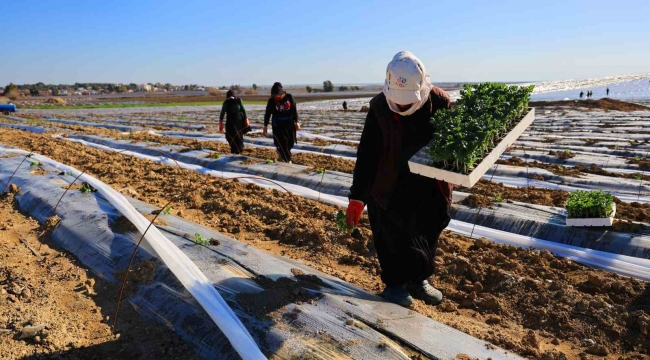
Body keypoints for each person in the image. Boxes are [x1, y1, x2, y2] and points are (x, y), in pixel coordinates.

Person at [345, 51, 453, 307]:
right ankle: (394, 285)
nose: (403, 107)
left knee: (428, 227)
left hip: (428, 180)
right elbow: (368, 154)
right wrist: (358, 197)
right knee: (391, 231)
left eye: (408, 102)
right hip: (389, 180)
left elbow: (453, 140)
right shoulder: (380, 108)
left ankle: (419, 281)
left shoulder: (439, 101)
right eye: (399, 102)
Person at [264, 82, 299, 162]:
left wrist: (296, 121)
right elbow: (267, 113)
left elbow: (294, 110)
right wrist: (265, 125)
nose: (276, 98)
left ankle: (282, 153)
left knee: (290, 142)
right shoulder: (271, 101)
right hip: (278, 125)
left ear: (282, 94)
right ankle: (287, 160)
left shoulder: (289, 97)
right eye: (274, 96)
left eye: (278, 96)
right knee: (282, 142)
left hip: (289, 123)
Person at [219, 90, 250, 154]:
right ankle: (233, 149)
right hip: (230, 121)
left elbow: (243, 110)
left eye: (232, 97)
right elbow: (222, 113)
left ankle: (239, 149)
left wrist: (246, 119)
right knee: (229, 136)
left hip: (238, 120)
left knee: (238, 135)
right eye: (229, 98)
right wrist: (220, 123)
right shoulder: (226, 103)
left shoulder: (239, 101)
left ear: (234, 96)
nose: (231, 99)